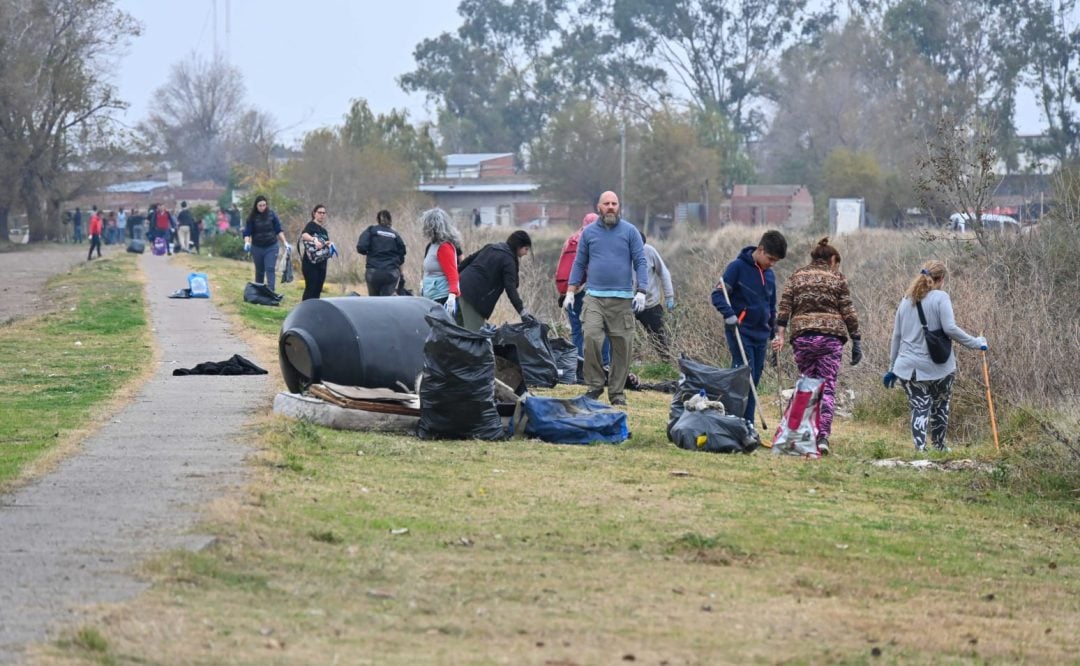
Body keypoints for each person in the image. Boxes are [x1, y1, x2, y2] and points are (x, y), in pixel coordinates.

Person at [884, 260, 987, 453]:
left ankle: (920, 449)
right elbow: (949, 328)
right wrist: (976, 342)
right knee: (940, 406)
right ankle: (939, 446)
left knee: (919, 407)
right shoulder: (941, 297)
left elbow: (896, 336)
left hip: (908, 368)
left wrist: (891, 368)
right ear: (941, 279)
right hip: (939, 367)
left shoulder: (906, 300)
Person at [771, 237, 861, 455]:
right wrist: (856, 339)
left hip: (802, 339)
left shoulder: (797, 276)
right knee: (827, 387)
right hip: (830, 339)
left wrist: (779, 337)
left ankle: (799, 435)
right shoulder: (837, 278)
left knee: (807, 386)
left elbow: (784, 309)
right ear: (832, 259)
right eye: (836, 262)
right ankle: (822, 438)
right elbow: (848, 310)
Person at [563, 190, 648, 407]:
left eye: (614, 203)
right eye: (606, 203)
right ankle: (594, 386)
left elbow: (640, 261)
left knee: (622, 346)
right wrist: (570, 291)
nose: (611, 207)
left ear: (619, 207)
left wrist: (642, 291)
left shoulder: (630, 232)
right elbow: (579, 263)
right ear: (598, 207)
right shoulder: (589, 234)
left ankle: (617, 392)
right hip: (594, 297)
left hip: (622, 300)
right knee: (591, 337)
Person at [711, 230, 788, 423]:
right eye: (770, 259)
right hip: (739, 331)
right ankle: (733, 422)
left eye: (775, 261)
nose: (772, 264)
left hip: (761, 335)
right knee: (744, 378)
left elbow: (770, 308)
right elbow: (718, 295)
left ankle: (748, 425)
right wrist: (729, 315)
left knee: (755, 380)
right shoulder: (737, 267)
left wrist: (774, 336)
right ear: (760, 250)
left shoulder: (770, 276)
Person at [555, 213, 609, 367]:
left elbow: (560, 267)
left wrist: (565, 292)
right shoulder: (594, 239)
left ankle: (576, 365)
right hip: (587, 289)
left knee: (577, 330)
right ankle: (605, 364)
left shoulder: (569, 240)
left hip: (569, 292)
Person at [457, 230, 533, 331]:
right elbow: (511, 289)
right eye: (526, 249)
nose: (526, 253)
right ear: (518, 246)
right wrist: (522, 311)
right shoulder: (509, 261)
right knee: (474, 336)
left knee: (457, 330)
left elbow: (468, 260)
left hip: (460, 287)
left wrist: (453, 277)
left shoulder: (491, 247)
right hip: (474, 298)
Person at [634, 228, 676, 361]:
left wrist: (669, 296)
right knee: (622, 336)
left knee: (659, 336)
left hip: (650, 303)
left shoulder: (649, 251)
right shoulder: (621, 253)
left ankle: (666, 363)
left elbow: (664, 273)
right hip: (627, 303)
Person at [419, 208, 462, 316]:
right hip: (431, 296)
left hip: (442, 298)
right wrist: (422, 283)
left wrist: (452, 295)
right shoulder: (431, 246)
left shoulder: (444, 247)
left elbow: (453, 274)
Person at [242, 195, 288, 292]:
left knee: (270, 268)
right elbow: (247, 232)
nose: (263, 207)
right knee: (259, 271)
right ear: (256, 206)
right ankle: (259, 292)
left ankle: (271, 291)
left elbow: (278, 230)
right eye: (260, 205)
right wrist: (246, 242)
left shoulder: (272, 215)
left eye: (264, 205)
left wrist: (285, 242)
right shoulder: (252, 217)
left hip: (271, 246)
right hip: (257, 247)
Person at [356, 209, 407, 296]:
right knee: (386, 302)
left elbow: (361, 247)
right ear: (390, 220)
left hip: (373, 273)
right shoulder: (395, 235)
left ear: (378, 220)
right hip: (390, 273)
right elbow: (402, 253)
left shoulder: (371, 230)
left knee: (374, 301)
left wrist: (369, 252)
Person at [298, 204, 335, 300]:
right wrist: (314, 239)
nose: (322, 215)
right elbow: (304, 235)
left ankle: (314, 312)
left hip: (322, 263)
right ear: (314, 213)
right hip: (310, 264)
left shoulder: (324, 231)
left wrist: (329, 244)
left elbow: (324, 244)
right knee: (311, 288)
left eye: (324, 213)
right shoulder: (311, 225)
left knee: (318, 289)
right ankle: (305, 311)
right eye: (320, 212)